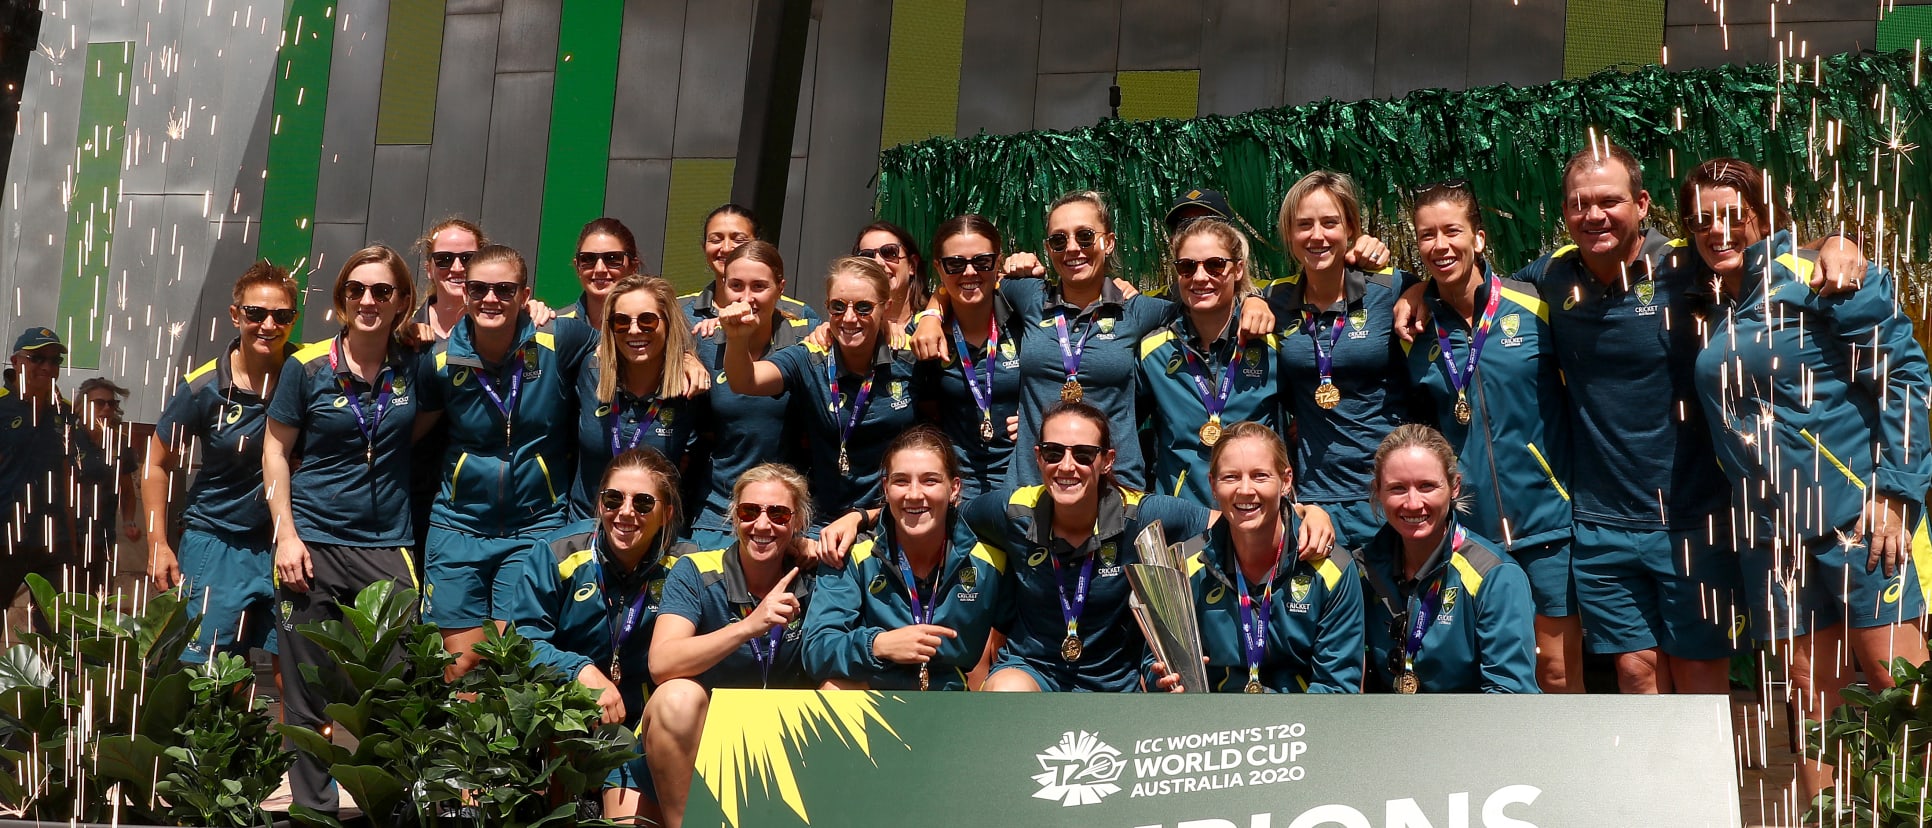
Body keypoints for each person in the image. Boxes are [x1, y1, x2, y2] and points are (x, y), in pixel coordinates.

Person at [1391, 140, 1868, 695]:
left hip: (1693, 517)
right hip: (1601, 523)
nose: (1594, 214)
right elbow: (1475, 281)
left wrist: (1836, 243)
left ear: (1641, 203)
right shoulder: (1550, 277)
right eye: (1578, 203)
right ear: (1565, 213)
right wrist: (1419, 288)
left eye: (1609, 200)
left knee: (1696, 679)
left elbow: (1763, 253)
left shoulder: (1685, 266)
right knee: (1634, 673)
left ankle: (1705, 784)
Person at [1682, 157, 1932, 801]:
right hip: (1771, 535)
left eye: (1733, 216)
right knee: (1807, 691)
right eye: (1703, 220)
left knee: (1897, 681)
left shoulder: (1821, 274)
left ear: (1764, 217)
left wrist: (1896, 491)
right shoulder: (1711, 301)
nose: (1718, 230)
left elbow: (1905, 375)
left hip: (1856, 519)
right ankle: (1826, 816)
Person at [913, 190, 1275, 490]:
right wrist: (932, 312)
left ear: (1108, 242)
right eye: (1059, 239)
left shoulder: (1140, 311)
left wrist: (1252, 299)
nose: (1072, 248)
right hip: (1035, 483)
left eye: (1085, 236)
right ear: (1048, 247)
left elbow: (1206, 299)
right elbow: (966, 283)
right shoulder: (1027, 295)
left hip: (1114, 484)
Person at [1400, 182, 1582, 693]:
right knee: (1481, 674)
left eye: (1452, 231)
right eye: (1426, 236)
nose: (1440, 245)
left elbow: (1577, 253)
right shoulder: (1413, 327)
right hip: (1467, 531)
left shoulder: (1535, 303)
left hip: (1545, 523)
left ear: (1478, 238)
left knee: (1556, 671)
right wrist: (1412, 291)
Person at [263, 245, 423, 817]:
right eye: (357, 290)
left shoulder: (416, 367)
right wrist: (286, 534)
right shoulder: (306, 368)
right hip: (311, 543)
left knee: (397, 685)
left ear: (403, 300)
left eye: (383, 290)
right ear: (341, 299)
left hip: (387, 548)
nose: (369, 300)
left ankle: (391, 808)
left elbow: (423, 424)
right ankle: (314, 812)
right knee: (306, 691)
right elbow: (276, 450)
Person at [413, 244, 596, 678]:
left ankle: (509, 750)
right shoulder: (438, 361)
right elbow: (410, 433)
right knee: (460, 666)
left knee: (513, 658)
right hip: (458, 526)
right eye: (478, 288)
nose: (490, 298)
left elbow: (621, 347)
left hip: (535, 526)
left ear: (524, 293)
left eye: (504, 289)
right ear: (464, 292)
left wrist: (685, 354)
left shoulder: (559, 339)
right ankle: (460, 748)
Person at [960, 402, 1214, 693]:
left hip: (1113, 685)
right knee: (1006, 691)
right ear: (1038, 457)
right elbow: (947, 523)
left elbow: (1226, 525)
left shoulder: (1138, 514)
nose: (1067, 466)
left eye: (1083, 454)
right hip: (1033, 670)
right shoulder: (1013, 510)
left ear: (1107, 461)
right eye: (1053, 452)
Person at [504, 448, 694, 824]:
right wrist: (580, 671)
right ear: (599, 503)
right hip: (573, 717)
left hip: (652, 725)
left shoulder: (687, 563)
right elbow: (521, 641)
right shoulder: (558, 553)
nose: (626, 512)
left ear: (666, 513)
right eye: (613, 499)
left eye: (643, 503)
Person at [643, 462, 817, 828]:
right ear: (734, 517)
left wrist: (856, 520)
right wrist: (748, 627)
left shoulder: (816, 574)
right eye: (749, 511)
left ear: (798, 522)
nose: (763, 525)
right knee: (675, 696)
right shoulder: (695, 571)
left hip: (789, 737)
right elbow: (662, 662)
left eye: (779, 513)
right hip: (706, 740)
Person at [144, 261, 300, 667]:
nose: (268, 325)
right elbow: (156, 464)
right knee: (206, 672)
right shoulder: (204, 389)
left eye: (281, 316)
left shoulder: (311, 374)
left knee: (298, 675)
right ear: (235, 315)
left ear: (293, 320)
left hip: (290, 544)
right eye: (256, 314)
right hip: (217, 541)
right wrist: (157, 542)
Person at [1156, 422, 1364, 694]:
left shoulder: (1332, 569)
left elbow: (1337, 688)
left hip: (1301, 729)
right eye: (1230, 477)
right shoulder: (1183, 566)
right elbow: (1156, 667)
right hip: (1212, 727)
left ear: (1286, 481)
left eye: (1260, 476)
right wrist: (1167, 684)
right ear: (1213, 485)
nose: (1245, 489)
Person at [721, 256, 918, 535]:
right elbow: (746, 381)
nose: (849, 318)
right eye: (838, 307)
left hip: (895, 518)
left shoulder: (909, 358)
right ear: (827, 307)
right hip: (825, 522)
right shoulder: (810, 358)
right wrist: (737, 338)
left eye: (864, 308)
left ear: (885, 307)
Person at [1267, 171, 1410, 549]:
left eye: (1330, 222)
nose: (1317, 235)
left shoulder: (1391, 288)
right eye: (1304, 225)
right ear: (1289, 235)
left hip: (1389, 494)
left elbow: (1444, 289)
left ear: (1351, 228)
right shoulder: (1274, 300)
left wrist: (1421, 289)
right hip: (1316, 502)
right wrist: (1248, 300)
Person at [805, 426, 1007, 690]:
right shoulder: (850, 554)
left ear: (954, 489)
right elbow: (816, 649)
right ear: (886, 488)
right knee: (834, 690)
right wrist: (877, 645)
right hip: (876, 692)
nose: (914, 494)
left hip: (952, 698)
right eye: (901, 481)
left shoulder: (989, 561)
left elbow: (1024, 643)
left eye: (930, 480)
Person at [1358, 425, 1538, 693]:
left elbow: (1510, 695)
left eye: (1427, 486)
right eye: (1397, 488)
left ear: (1454, 486)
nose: (1413, 503)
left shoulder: (1496, 576)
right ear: (1378, 491)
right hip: (1388, 726)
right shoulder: (1363, 569)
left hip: (1468, 729)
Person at [1137, 216, 1282, 502]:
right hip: (1184, 519)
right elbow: (1119, 422)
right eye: (1187, 266)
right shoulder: (1153, 352)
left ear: (1238, 269)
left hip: (1256, 511)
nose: (1200, 277)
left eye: (1215, 265)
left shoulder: (1272, 346)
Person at [685, 241, 813, 549]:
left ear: (780, 288)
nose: (746, 298)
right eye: (736, 286)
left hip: (783, 516)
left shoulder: (805, 343)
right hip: (717, 512)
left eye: (759, 287)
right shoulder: (703, 343)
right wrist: (684, 356)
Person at [571, 274, 703, 522]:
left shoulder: (690, 389)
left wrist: (687, 358)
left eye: (647, 320)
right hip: (585, 530)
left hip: (653, 534)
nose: (633, 330)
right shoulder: (588, 372)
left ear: (668, 323)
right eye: (621, 322)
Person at [913, 215, 1021, 500]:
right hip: (960, 484)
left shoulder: (1024, 318)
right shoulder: (924, 335)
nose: (970, 272)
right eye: (955, 264)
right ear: (939, 268)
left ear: (999, 262)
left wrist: (1042, 418)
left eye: (982, 261)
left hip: (1025, 474)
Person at [0, 327, 109, 604]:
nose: (48, 367)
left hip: (52, 543)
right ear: (16, 361)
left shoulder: (66, 412)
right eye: (38, 359)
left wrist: (72, 548)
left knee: (57, 630)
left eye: (55, 360)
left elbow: (68, 475)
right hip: (4, 539)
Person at [679, 204, 818, 331]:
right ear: (704, 247)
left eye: (739, 239)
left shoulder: (800, 314)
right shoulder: (678, 311)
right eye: (716, 240)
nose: (726, 248)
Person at [75, 376, 141, 573]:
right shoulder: (68, 439)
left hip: (103, 538)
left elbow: (128, 491)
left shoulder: (119, 444)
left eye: (111, 404)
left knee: (99, 599)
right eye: (99, 403)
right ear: (82, 405)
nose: (106, 409)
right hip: (67, 539)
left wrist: (128, 522)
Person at [415, 217, 487, 341]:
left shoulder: (500, 325)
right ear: (429, 269)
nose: (457, 268)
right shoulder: (405, 328)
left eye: (468, 259)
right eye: (444, 259)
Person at [560, 217, 640, 324]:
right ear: (577, 266)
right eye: (588, 258)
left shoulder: (651, 326)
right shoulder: (553, 327)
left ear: (633, 267)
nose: (599, 269)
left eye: (612, 258)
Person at [851, 221, 927, 332]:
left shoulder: (936, 321)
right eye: (867, 256)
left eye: (889, 252)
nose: (878, 262)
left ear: (912, 265)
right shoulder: (849, 324)